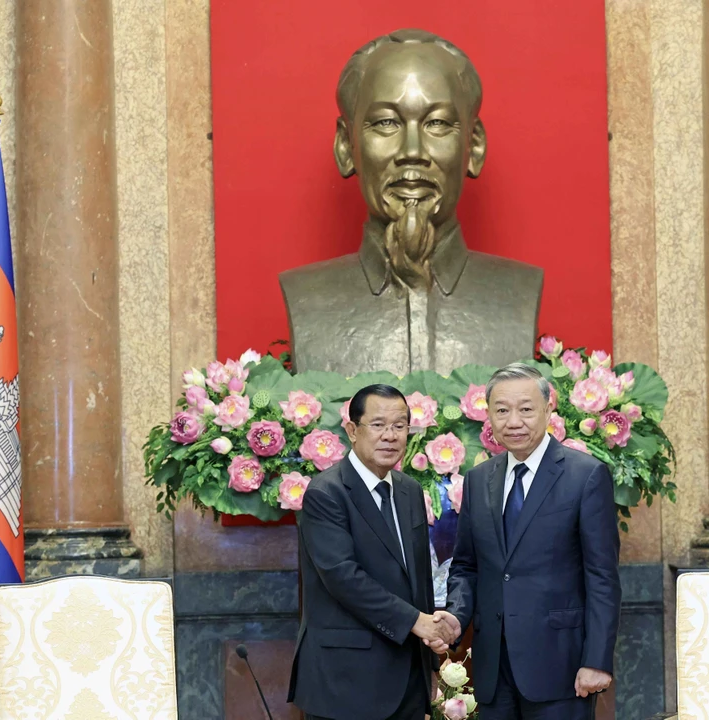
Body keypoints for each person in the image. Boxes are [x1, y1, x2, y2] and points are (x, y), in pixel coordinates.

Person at [279, 29, 542, 377]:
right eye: (386, 123)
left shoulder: (519, 292)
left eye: (437, 123)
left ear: (473, 147)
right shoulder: (307, 297)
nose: (413, 152)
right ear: (346, 146)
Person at [439, 363, 622, 719]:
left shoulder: (585, 476)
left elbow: (602, 576)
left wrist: (597, 660)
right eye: (502, 410)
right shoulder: (478, 480)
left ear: (548, 409)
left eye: (526, 409)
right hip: (493, 666)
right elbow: (466, 565)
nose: (513, 421)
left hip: (562, 666)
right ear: (488, 415)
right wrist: (456, 616)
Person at [288, 384, 448, 720]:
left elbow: (418, 579)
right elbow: (343, 577)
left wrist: (429, 664)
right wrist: (416, 622)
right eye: (377, 425)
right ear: (351, 431)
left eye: (399, 426)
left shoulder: (409, 490)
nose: (390, 436)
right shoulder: (326, 493)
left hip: (407, 679)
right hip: (346, 681)